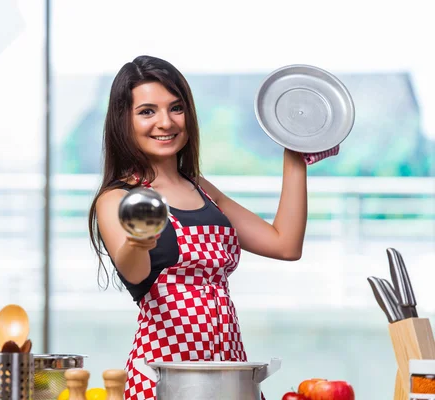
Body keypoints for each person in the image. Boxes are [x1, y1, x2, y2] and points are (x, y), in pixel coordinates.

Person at [88, 55, 338, 400]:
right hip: (164, 379)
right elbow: (133, 271)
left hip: (231, 373)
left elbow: (285, 245)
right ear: (123, 121)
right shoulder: (118, 199)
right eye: (147, 111)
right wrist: (139, 239)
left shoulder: (202, 189)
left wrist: (295, 153)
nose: (165, 122)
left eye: (176, 108)